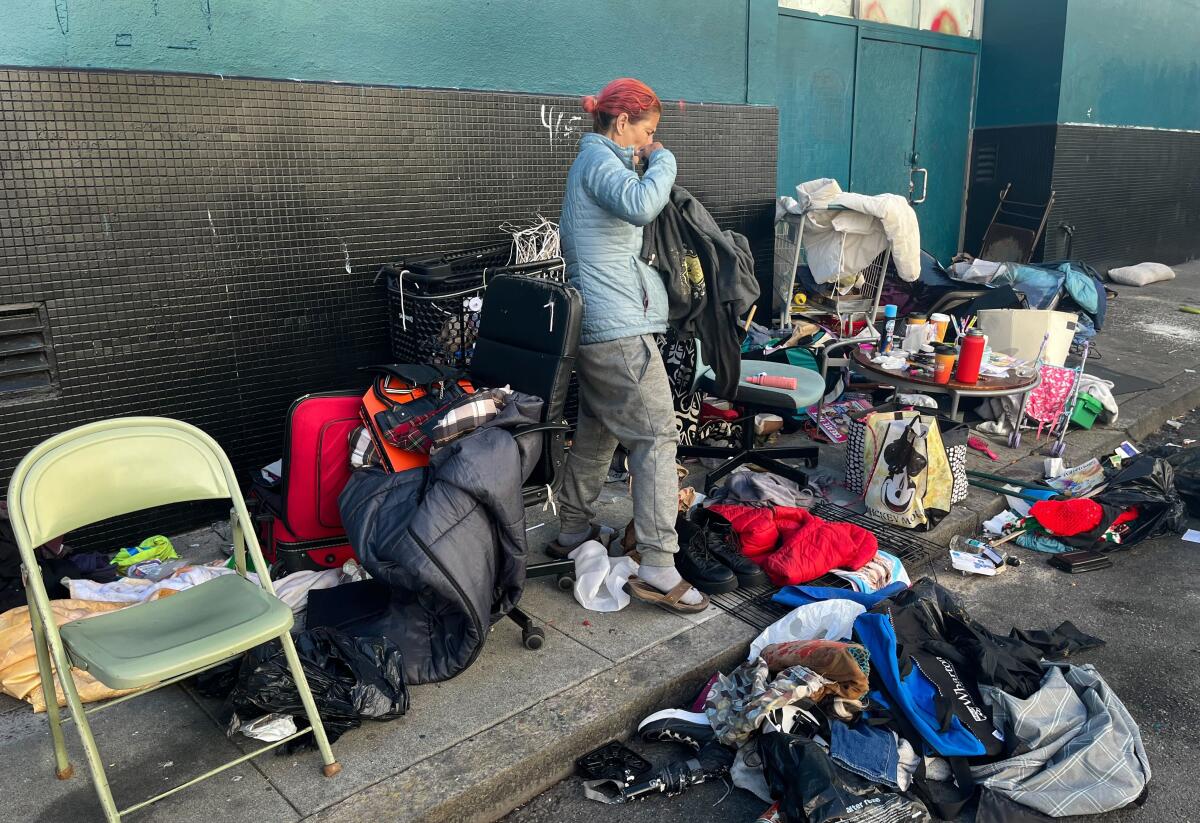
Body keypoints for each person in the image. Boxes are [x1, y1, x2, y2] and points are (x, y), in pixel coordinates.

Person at [549, 78, 707, 614]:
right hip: (617, 327)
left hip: (601, 322)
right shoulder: (599, 161)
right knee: (657, 437)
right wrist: (665, 161)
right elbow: (642, 206)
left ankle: (572, 532)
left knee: (599, 431)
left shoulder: (596, 162)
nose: (649, 139)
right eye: (647, 129)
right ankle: (660, 565)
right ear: (622, 123)